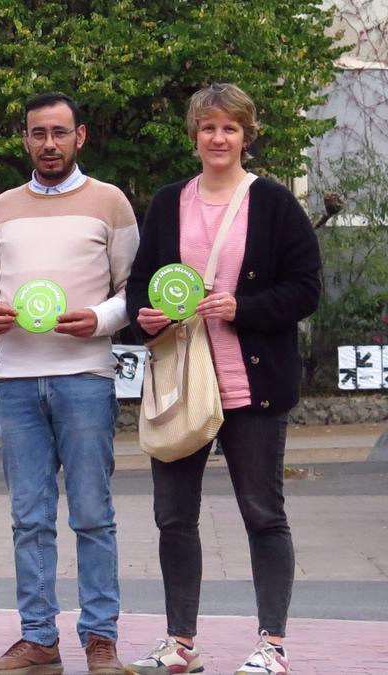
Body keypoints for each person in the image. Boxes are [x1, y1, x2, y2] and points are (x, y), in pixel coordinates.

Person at [123, 83, 321, 675]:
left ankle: (272, 644)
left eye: (230, 128)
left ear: (246, 136)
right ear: (194, 136)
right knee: (173, 516)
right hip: (182, 383)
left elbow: (306, 287)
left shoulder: (276, 204)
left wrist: (243, 308)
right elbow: (139, 288)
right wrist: (147, 317)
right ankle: (179, 644)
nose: (218, 138)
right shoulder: (167, 203)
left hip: (252, 385)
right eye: (208, 127)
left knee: (263, 513)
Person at [0, 92, 138, 675]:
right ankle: (38, 639)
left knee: (93, 514)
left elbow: (132, 289)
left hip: (86, 378)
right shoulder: (2, 207)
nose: (49, 144)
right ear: (25, 139)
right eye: (38, 133)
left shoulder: (110, 202)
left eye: (59, 133)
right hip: (16, 380)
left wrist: (103, 320)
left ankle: (100, 638)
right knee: (29, 518)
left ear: (80, 137)